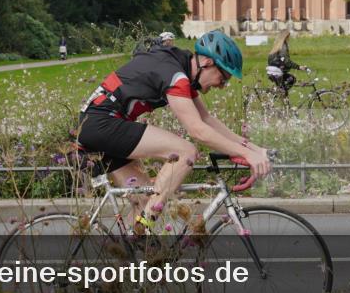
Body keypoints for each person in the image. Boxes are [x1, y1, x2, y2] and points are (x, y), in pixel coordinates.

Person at [76, 30, 270, 235]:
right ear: (207, 62)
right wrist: (246, 154)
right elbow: (198, 130)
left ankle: (133, 249)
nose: (222, 86)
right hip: (101, 122)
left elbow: (207, 120)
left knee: (144, 200)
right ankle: (145, 227)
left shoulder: (180, 68)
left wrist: (254, 149)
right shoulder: (175, 75)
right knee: (186, 152)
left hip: (99, 123)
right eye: (223, 78)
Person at [266, 30, 303, 94]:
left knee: (281, 88)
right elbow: (287, 61)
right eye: (289, 37)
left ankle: (277, 95)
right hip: (277, 71)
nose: (289, 38)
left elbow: (270, 60)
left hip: (270, 71)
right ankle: (279, 93)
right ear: (286, 37)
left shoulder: (276, 46)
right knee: (292, 79)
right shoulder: (283, 47)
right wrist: (298, 67)